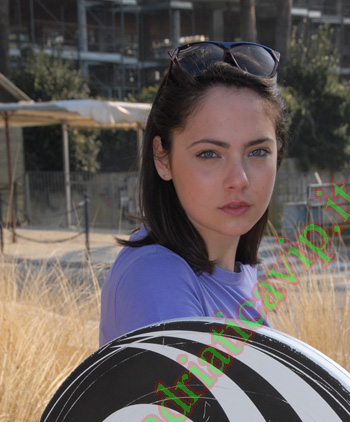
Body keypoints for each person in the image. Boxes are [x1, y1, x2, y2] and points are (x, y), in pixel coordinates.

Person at [99, 41, 287, 347]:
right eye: (209, 154)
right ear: (162, 158)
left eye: (258, 151)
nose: (238, 180)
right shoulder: (157, 276)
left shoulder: (239, 272)